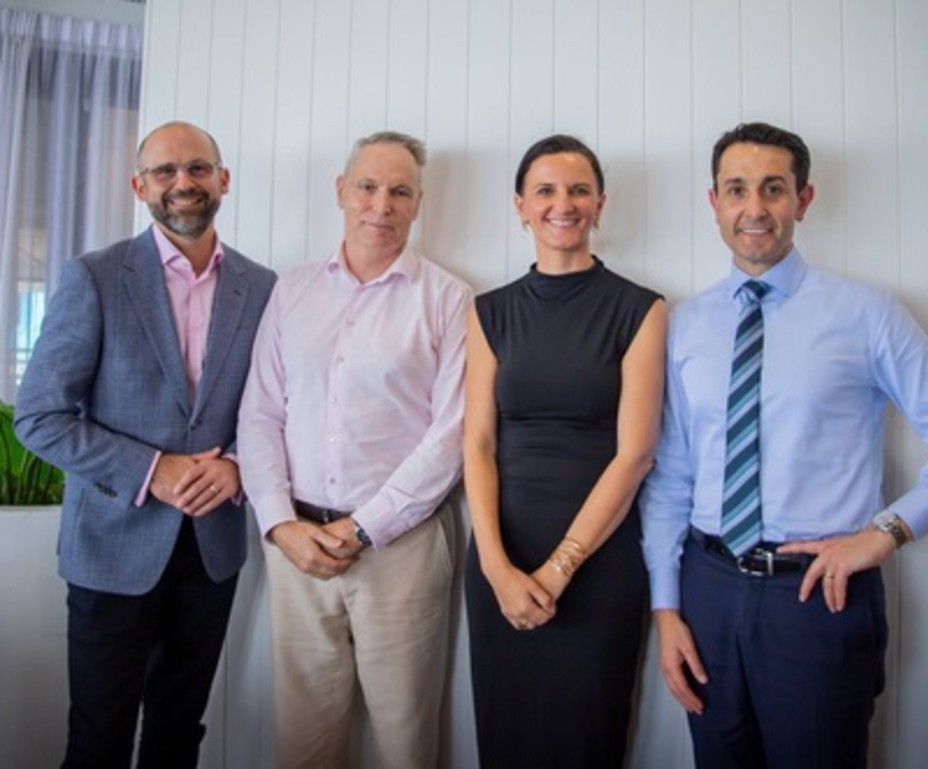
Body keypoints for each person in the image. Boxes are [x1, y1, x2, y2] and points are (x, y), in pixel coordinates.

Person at [641, 121, 928, 769]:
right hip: (708, 591)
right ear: (715, 203)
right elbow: (671, 474)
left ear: (803, 200)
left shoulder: (868, 314)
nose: (755, 209)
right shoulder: (685, 323)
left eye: (774, 189)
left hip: (816, 596)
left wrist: (888, 529)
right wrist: (666, 608)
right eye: (737, 190)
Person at [14, 121, 276, 768]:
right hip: (110, 547)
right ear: (140, 186)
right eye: (164, 172)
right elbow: (40, 414)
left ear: (223, 179)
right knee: (99, 735)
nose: (182, 183)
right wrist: (152, 470)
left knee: (178, 731)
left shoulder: (265, 287)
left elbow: (275, 402)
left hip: (211, 548)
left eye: (196, 168)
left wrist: (240, 462)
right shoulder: (95, 278)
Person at [237, 130, 471, 769]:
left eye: (400, 191)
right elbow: (259, 413)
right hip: (296, 550)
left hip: (403, 550)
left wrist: (365, 527)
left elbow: (450, 435)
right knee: (303, 744)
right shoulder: (293, 290)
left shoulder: (449, 299)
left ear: (418, 203)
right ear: (341, 191)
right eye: (367, 186)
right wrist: (280, 523)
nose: (381, 204)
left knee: (406, 742)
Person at [463, 134, 666, 769]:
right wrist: (498, 570)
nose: (563, 203)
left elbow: (635, 453)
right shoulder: (489, 311)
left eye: (579, 190)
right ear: (520, 205)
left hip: (598, 563)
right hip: (502, 556)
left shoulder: (640, 309)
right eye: (545, 190)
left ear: (600, 204)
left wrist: (558, 570)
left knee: (588, 737)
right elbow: (477, 441)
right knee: (506, 738)